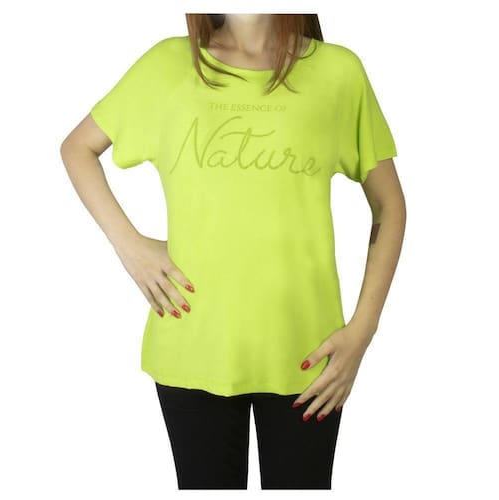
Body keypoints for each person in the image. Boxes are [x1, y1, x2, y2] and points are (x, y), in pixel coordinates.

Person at [60, 13, 406, 490]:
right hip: (192, 345)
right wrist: (132, 248)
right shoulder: (167, 65)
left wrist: (361, 332)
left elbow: (389, 205)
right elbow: (78, 148)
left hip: (309, 355)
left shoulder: (339, 72)